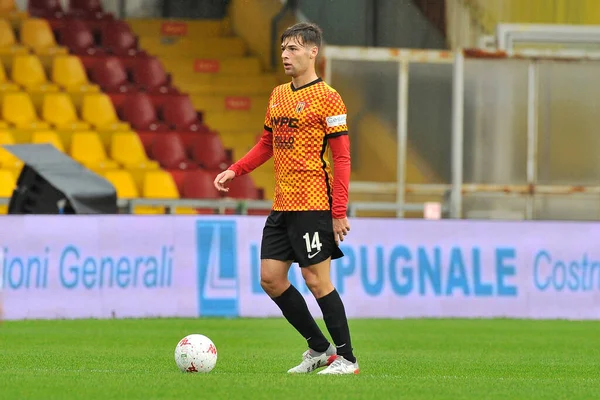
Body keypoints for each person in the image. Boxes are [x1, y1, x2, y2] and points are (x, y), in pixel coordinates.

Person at [213, 22, 358, 375]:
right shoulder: (278, 94)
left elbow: (341, 158)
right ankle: (319, 348)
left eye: (293, 49)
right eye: (283, 49)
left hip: (313, 204)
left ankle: (347, 358)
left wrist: (338, 212)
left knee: (316, 280)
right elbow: (267, 143)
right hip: (283, 205)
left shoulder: (329, 98)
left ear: (313, 52)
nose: (285, 55)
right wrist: (236, 169)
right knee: (271, 278)